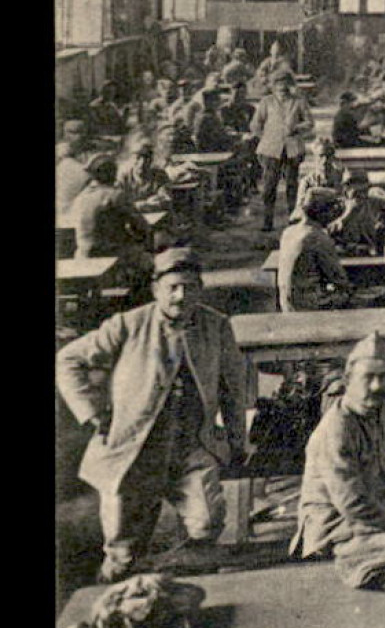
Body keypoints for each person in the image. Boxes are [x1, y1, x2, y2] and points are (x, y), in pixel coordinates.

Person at [56, 248, 244, 582]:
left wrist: (235, 439)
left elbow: (233, 389)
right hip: (135, 452)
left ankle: (197, 589)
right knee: (122, 551)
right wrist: (93, 414)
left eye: (189, 286)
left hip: (192, 449)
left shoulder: (216, 326)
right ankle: (111, 595)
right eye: (172, 287)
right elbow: (68, 360)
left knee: (206, 523)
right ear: (156, 289)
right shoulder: (128, 325)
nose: (181, 295)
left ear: (200, 288)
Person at [293, 333, 385, 591]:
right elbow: (351, 502)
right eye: (367, 378)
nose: (376, 386)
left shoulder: (377, 405)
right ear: (348, 381)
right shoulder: (336, 430)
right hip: (335, 517)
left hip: (378, 495)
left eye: (381, 377)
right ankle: (365, 557)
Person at [69, 153, 154, 296]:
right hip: (111, 253)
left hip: (83, 254)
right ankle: (138, 302)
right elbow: (141, 226)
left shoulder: (80, 198)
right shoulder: (116, 196)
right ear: (110, 174)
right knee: (150, 261)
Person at [249, 72, 315, 231]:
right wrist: (266, 137)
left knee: (292, 185)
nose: (282, 87)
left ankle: (293, 219)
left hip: (292, 149)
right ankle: (268, 220)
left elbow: (309, 122)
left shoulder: (298, 102)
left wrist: (297, 128)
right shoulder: (266, 102)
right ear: (273, 85)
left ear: (290, 85)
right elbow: (255, 124)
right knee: (269, 185)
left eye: (285, 83)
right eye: (278, 83)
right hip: (271, 150)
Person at [277, 188, 353, 313]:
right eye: (332, 209)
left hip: (287, 303)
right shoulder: (318, 238)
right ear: (323, 213)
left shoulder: (288, 232)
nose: (335, 213)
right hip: (310, 306)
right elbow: (340, 280)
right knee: (352, 295)